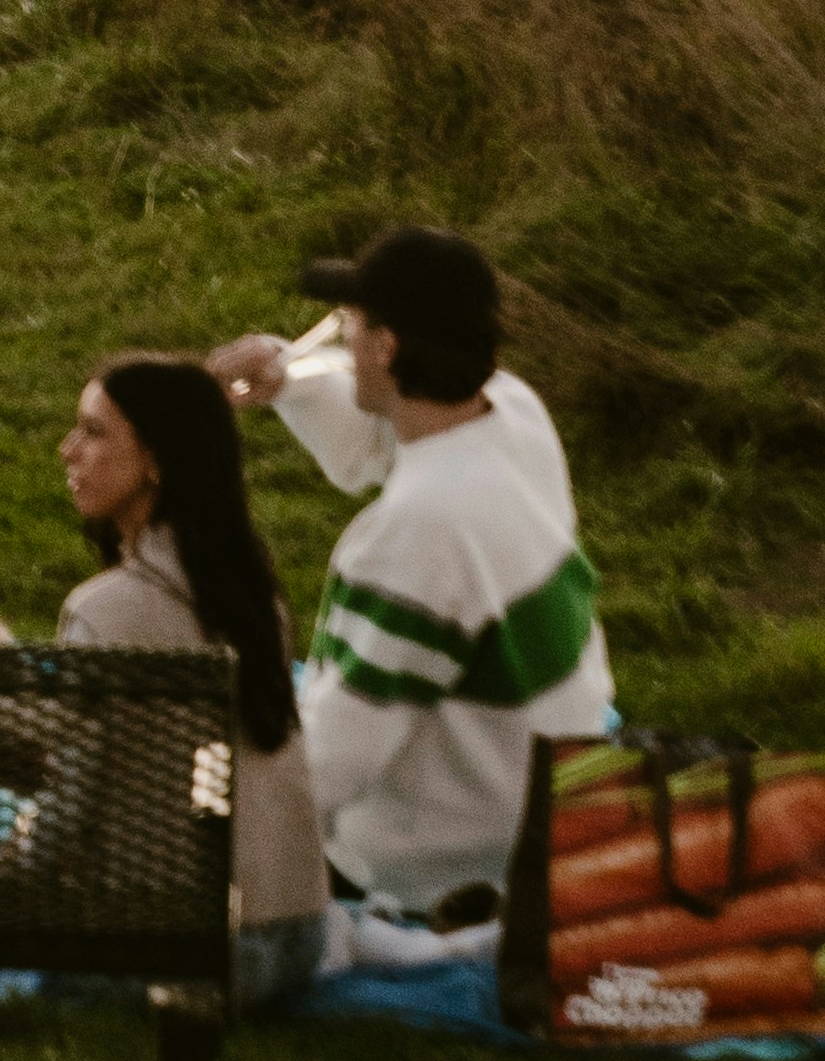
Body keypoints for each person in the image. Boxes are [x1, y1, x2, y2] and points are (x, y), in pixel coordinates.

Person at [211, 232, 614, 921]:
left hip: (455, 859)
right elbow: (374, 438)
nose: (341, 338)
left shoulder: (414, 535)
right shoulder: (513, 413)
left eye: (350, 325)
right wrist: (290, 376)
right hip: (552, 784)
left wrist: (199, 806)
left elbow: (327, 769)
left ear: (387, 347)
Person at [53, 355, 330, 1005]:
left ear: (156, 461)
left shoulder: (102, 611)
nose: (68, 450)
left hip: (185, 957)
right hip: (299, 937)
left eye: (93, 433)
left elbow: (68, 801)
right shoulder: (257, 597)